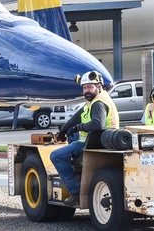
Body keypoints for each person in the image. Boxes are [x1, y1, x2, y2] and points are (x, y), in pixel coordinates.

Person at [50, 71, 119, 206]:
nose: (87, 91)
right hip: (94, 139)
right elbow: (77, 116)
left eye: (90, 87)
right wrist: (64, 128)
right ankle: (77, 167)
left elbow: (97, 124)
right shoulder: (92, 101)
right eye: (85, 87)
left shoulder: (98, 102)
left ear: (99, 86)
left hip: (96, 142)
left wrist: (77, 128)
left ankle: (76, 191)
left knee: (56, 156)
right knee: (71, 135)